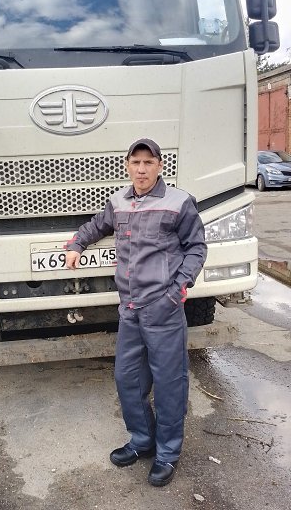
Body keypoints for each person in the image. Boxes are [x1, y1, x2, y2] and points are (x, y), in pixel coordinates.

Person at [65, 138, 207, 487]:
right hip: (129, 309)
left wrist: (177, 290)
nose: (141, 169)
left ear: (160, 165)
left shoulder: (179, 202)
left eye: (148, 162)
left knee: (169, 383)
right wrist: (76, 244)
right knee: (127, 378)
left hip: (163, 308)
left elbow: (196, 248)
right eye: (136, 162)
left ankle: (167, 453)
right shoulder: (119, 201)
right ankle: (142, 441)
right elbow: (97, 225)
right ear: (127, 165)